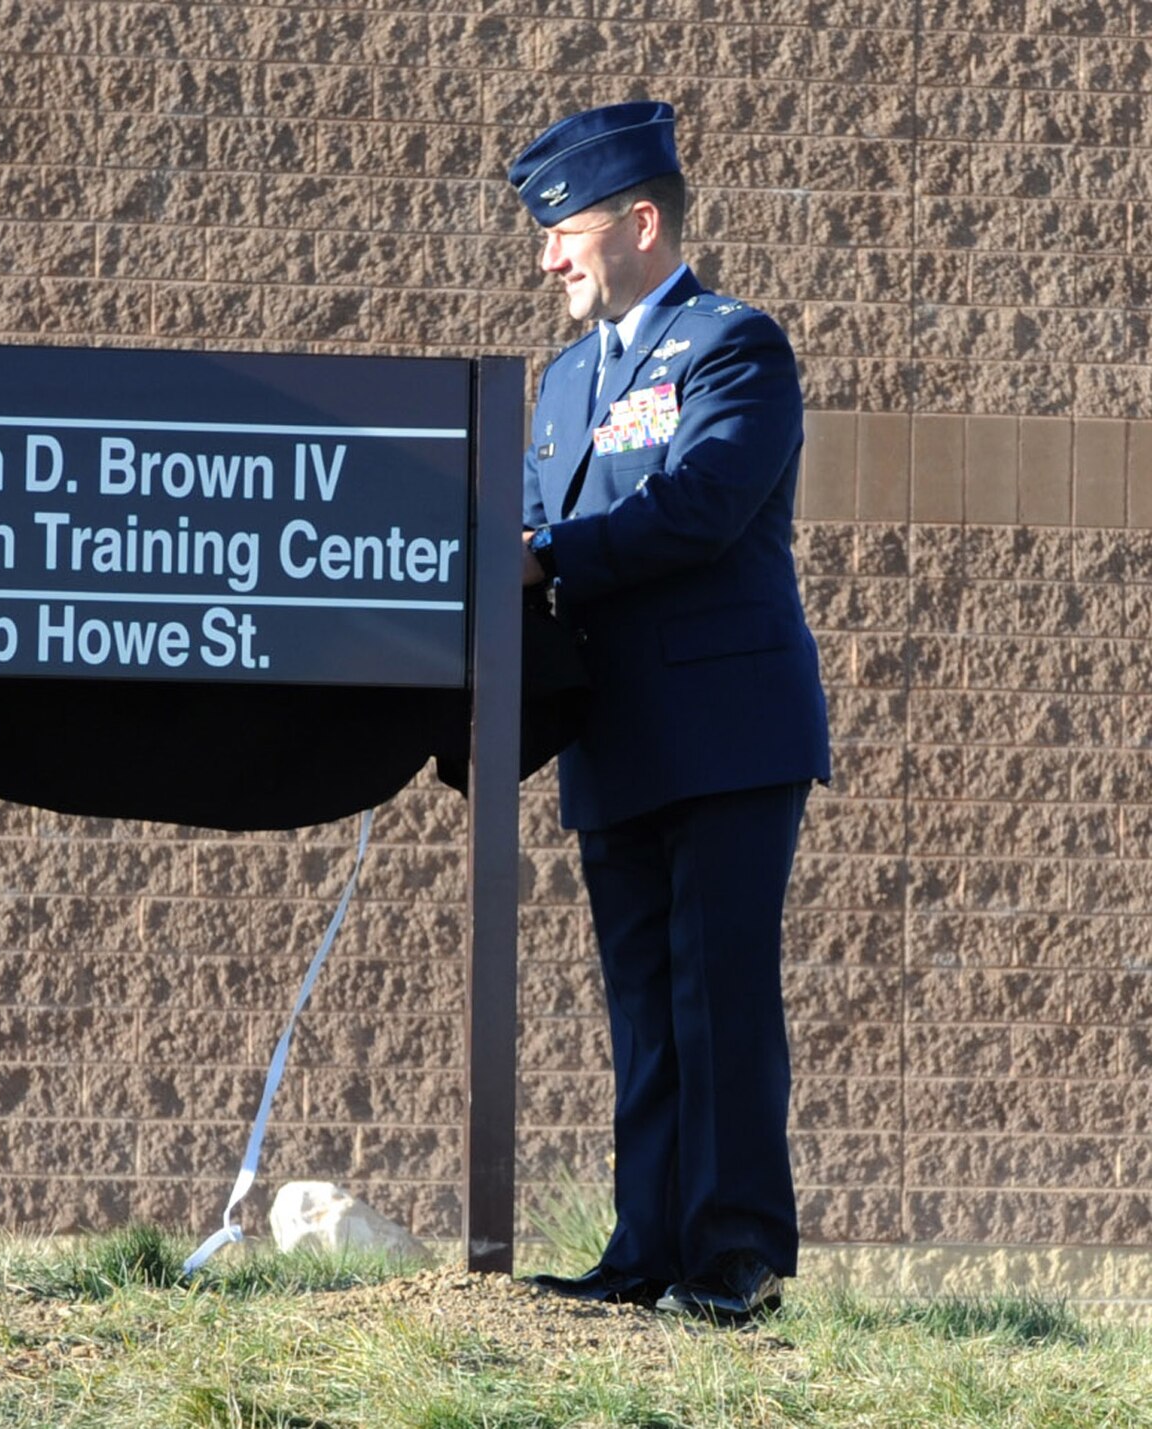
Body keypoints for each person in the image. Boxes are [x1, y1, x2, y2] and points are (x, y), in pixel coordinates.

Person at [505, 102, 830, 1323]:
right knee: (640, 1001)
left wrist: (542, 558)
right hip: (613, 733)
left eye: (562, 233)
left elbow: (696, 506)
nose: (547, 259)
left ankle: (733, 1256)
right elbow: (534, 539)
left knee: (718, 992)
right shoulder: (560, 383)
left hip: (728, 733)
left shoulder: (733, 350)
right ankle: (643, 1250)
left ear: (641, 223)